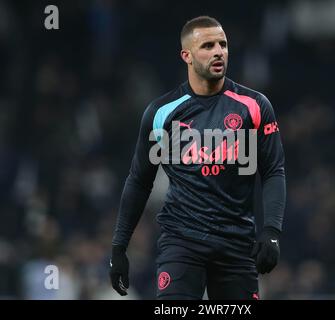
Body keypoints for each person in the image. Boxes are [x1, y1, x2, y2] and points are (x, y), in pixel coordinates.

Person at [109, 16, 286, 300]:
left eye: (223, 44)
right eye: (207, 45)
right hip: (182, 243)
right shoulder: (162, 113)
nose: (218, 51)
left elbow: (273, 171)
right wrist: (119, 247)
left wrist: (272, 231)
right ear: (187, 56)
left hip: (237, 243)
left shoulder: (254, 107)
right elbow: (140, 181)